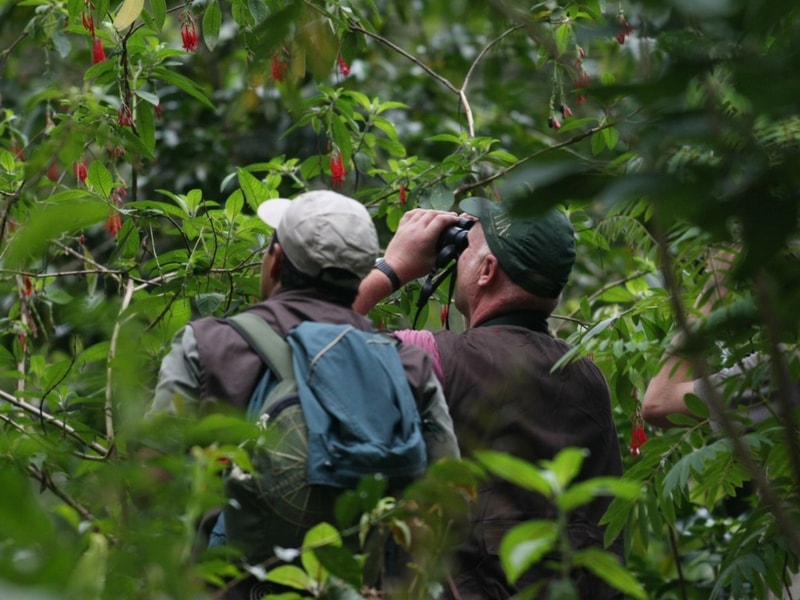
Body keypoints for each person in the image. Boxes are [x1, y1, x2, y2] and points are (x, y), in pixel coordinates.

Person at [148, 190, 459, 598]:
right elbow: (449, 499)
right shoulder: (405, 365)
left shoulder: (208, 346)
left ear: (275, 259)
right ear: (360, 274)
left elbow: (149, 481)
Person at [353, 197, 625, 599]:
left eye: (466, 246)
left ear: (487, 271)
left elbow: (306, 346)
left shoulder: (431, 357)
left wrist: (392, 267)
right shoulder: (588, 376)